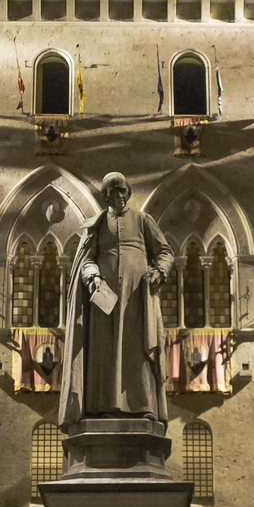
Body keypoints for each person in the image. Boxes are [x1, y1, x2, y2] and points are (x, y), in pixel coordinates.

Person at [57, 170, 175, 428]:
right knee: (105, 352)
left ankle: (144, 406)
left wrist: (159, 271)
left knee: (138, 349)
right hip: (104, 302)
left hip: (137, 298)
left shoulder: (143, 220)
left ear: (129, 193)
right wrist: (93, 277)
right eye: (114, 190)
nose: (120, 195)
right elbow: (86, 259)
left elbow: (165, 252)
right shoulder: (97, 224)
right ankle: (103, 407)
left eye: (123, 190)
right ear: (106, 195)